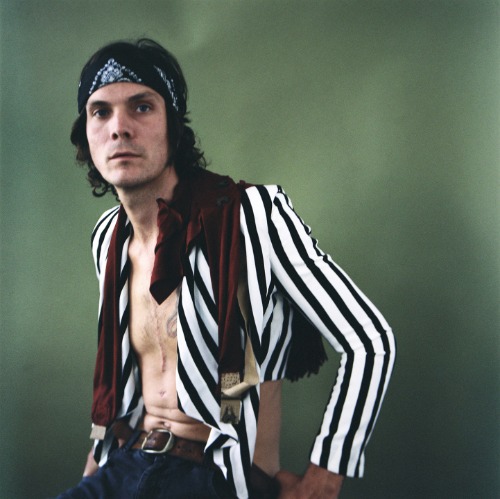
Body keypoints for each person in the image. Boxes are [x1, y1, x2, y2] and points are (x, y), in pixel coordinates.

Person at [57, 38, 396, 499]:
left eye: (142, 107)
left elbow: (370, 341)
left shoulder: (249, 216)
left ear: (174, 127)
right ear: (86, 133)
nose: (119, 128)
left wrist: (325, 475)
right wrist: (92, 479)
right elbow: (117, 384)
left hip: (215, 475)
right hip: (124, 465)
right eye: (100, 112)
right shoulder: (108, 237)